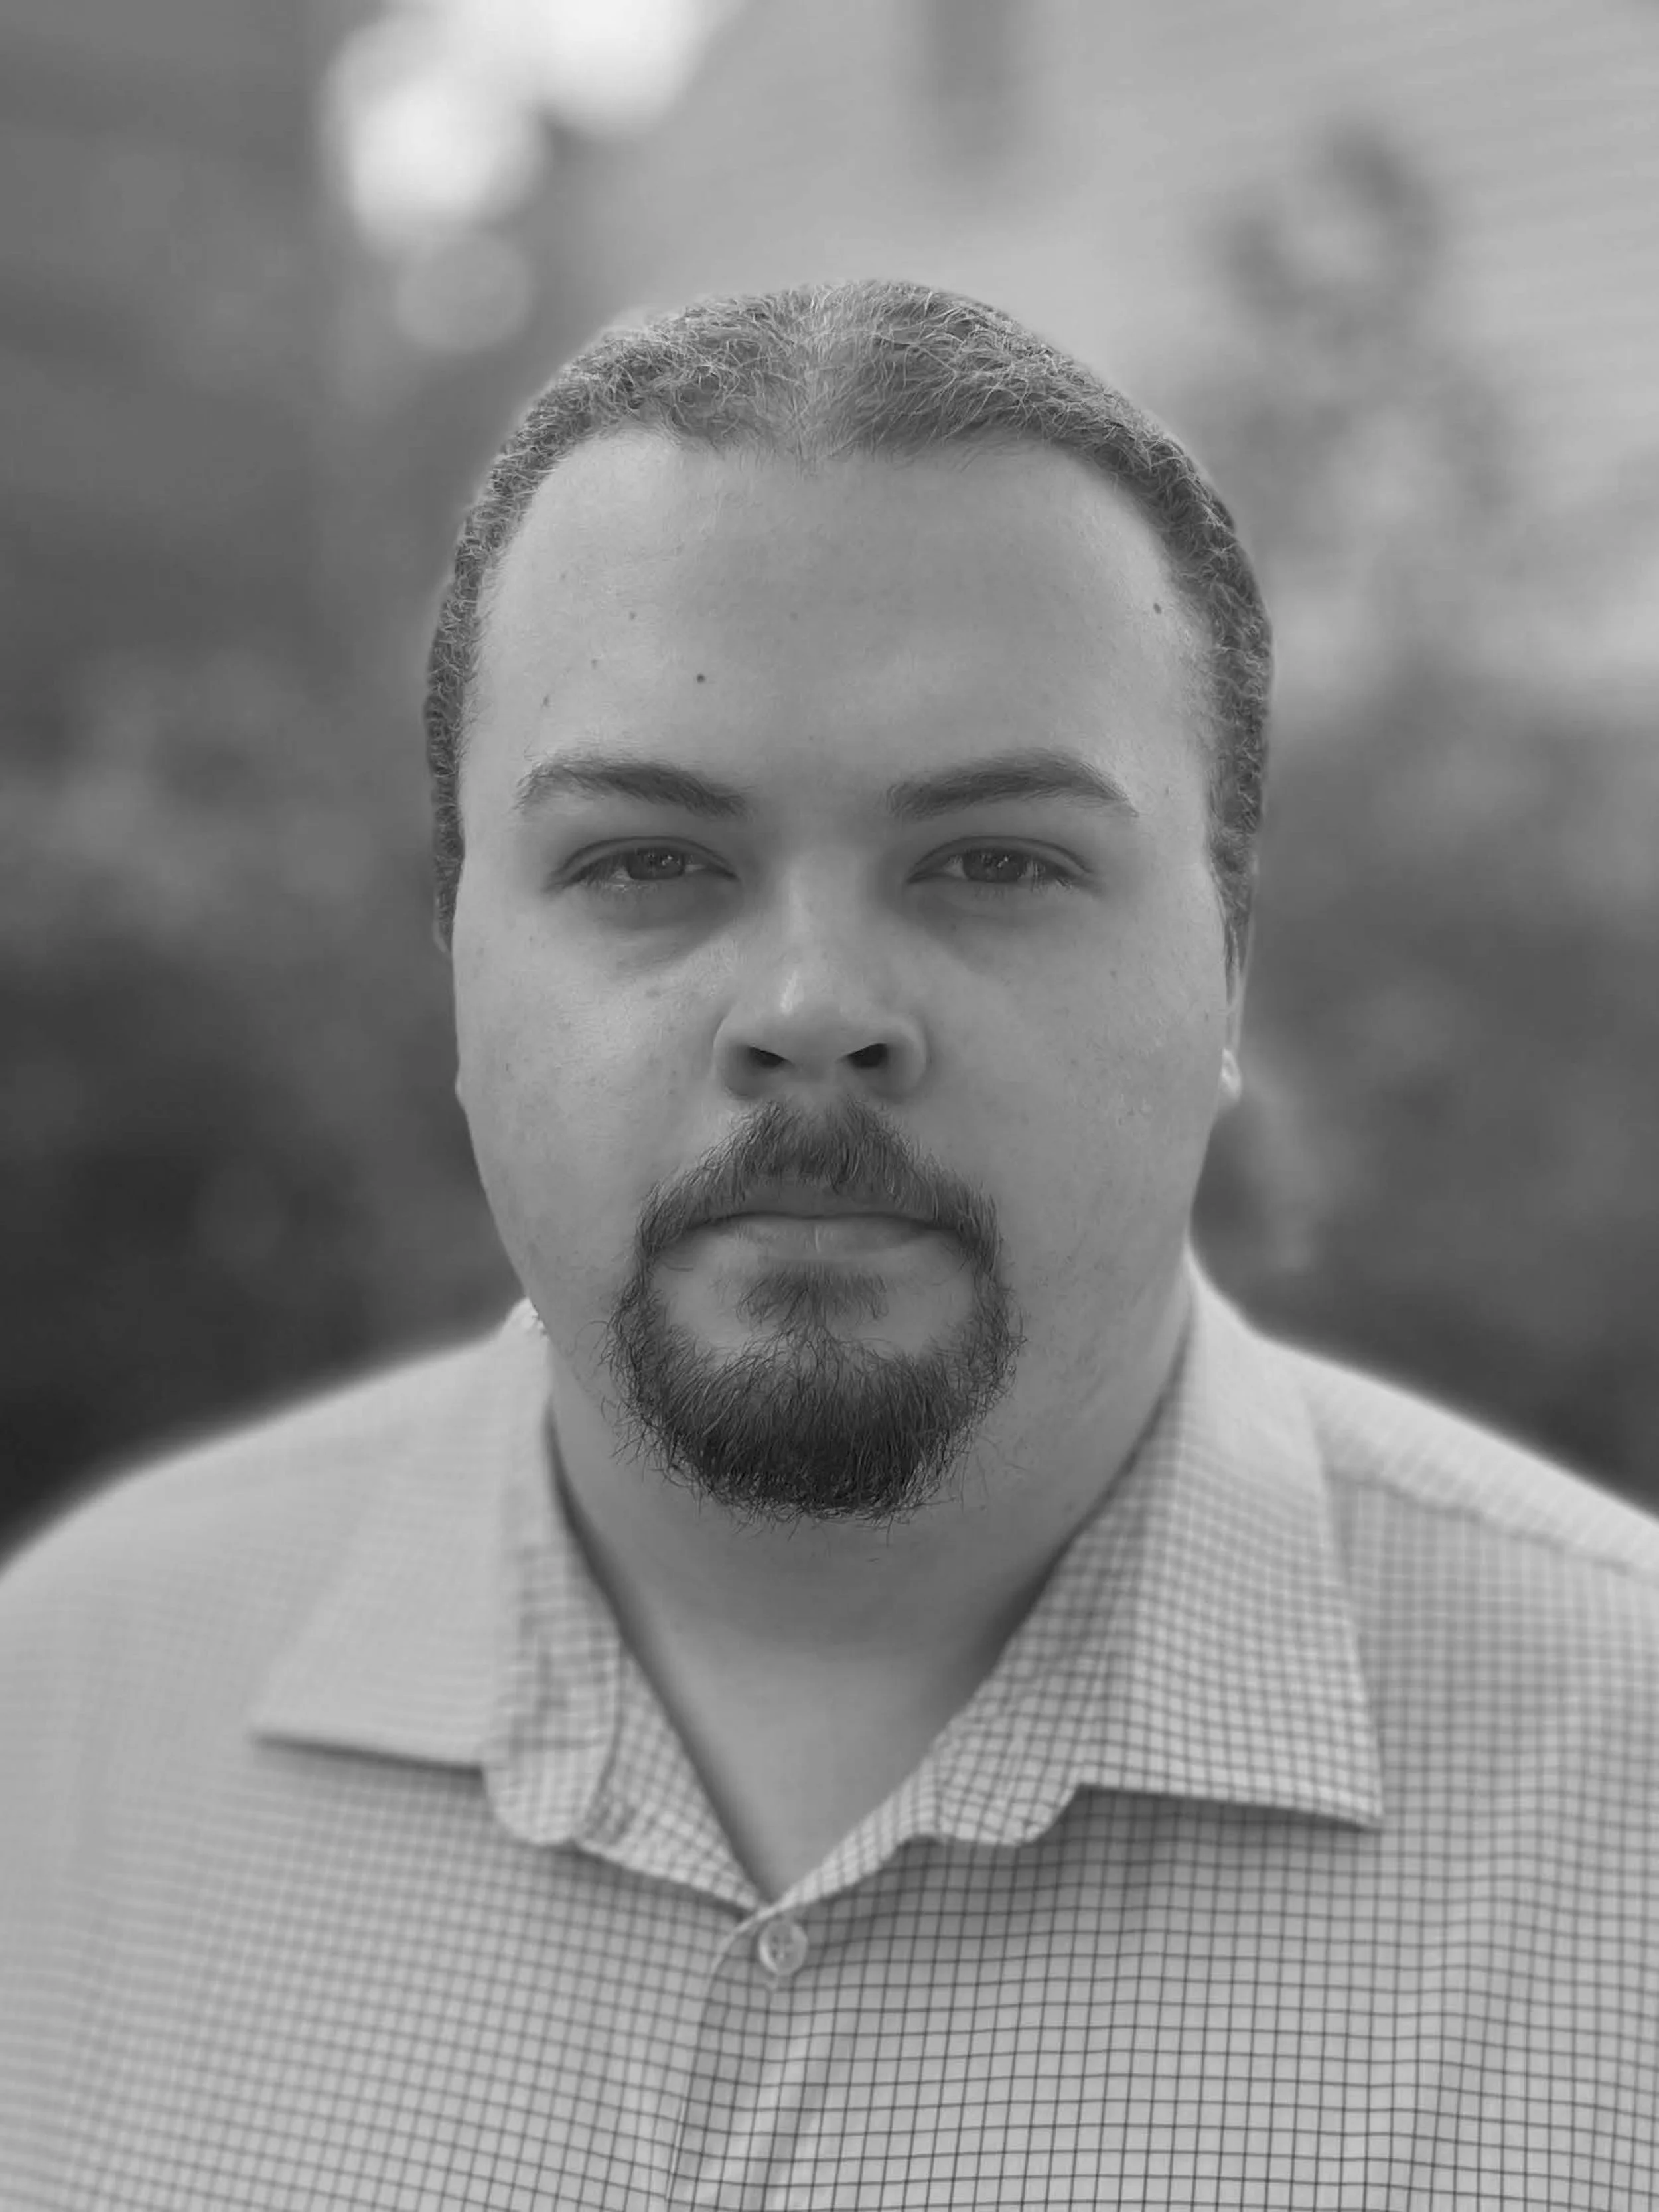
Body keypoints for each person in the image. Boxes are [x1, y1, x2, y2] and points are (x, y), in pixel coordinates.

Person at [2, 280, 1654, 2211]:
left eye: (995, 859)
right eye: (645, 859)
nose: (811, 1007)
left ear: (1228, 966)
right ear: (455, 961)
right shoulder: (66, 1709)